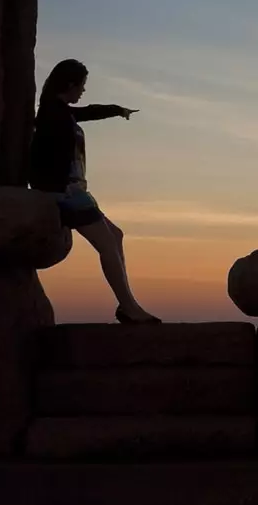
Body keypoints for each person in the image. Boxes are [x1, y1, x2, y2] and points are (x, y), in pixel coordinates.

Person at [28, 59, 161, 324]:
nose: (83, 91)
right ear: (69, 84)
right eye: (82, 85)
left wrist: (117, 110)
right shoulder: (51, 114)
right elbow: (36, 156)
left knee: (116, 236)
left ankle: (127, 305)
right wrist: (49, 191)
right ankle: (129, 307)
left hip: (74, 190)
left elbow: (86, 112)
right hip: (65, 192)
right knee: (108, 244)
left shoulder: (61, 111)